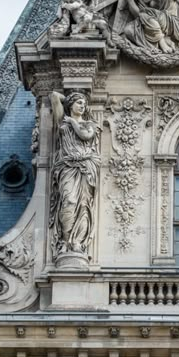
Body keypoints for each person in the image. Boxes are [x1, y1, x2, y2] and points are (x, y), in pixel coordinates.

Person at [49, 92, 100, 260]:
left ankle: (77, 242)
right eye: (78, 102)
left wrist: (72, 121)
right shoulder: (61, 121)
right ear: (70, 105)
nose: (82, 106)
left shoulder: (88, 123)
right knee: (69, 201)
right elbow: (54, 96)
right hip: (67, 167)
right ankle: (65, 242)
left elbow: (86, 135)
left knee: (84, 205)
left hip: (85, 167)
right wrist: (70, 96)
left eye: (84, 104)